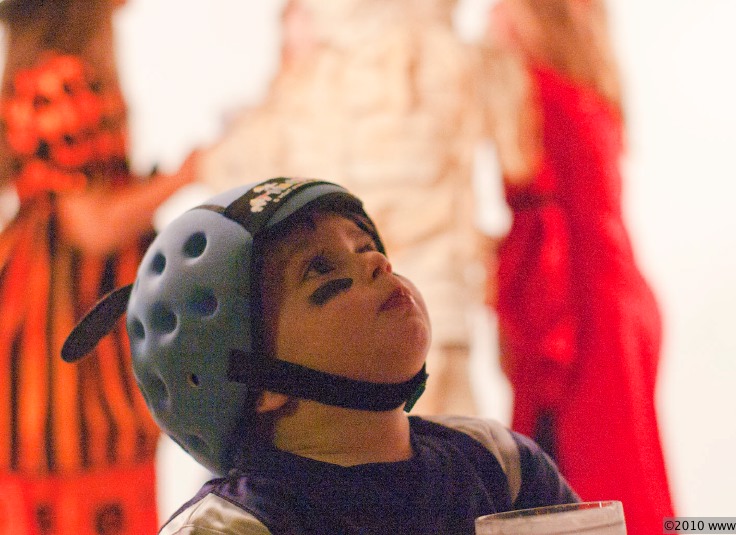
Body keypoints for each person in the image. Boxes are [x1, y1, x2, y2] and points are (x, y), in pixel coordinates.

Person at [61, 177, 579, 534]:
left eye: (365, 246)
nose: (376, 263)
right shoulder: (233, 527)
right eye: (321, 271)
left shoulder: (499, 461)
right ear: (259, 383)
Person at [195, 0, 529, 417]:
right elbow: (522, 157)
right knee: (450, 443)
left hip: (352, 332)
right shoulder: (460, 63)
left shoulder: (317, 85)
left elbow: (238, 175)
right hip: (436, 316)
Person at [0, 0, 195, 532]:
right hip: (66, 308)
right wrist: (187, 175)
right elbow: (92, 227)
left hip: (54, 298)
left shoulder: (49, 71)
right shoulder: (62, 77)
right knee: (82, 457)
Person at [486, 1, 675, 533]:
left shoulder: (535, 90)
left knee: (585, 487)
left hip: (580, 311)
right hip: (619, 299)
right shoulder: (584, 89)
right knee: (626, 479)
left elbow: (543, 224)